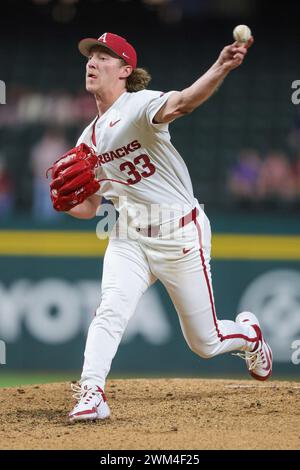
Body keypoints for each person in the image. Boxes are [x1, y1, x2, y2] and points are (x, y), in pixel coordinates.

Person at [65, 32, 272, 422]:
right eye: (90, 56)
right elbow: (92, 206)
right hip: (129, 236)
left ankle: (249, 336)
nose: (92, 62)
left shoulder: (140, 105)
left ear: (126, 71)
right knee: (109, 310)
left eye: (103, 57)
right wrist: (68, 202)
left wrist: (222, 65)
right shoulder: (86, 140)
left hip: (179, 235)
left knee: (205, 343)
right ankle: (91, 392)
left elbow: (185, 101)